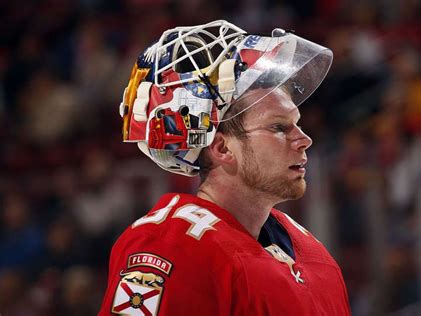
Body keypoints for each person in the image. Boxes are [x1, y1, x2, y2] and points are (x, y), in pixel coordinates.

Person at [99, 20, 350, 315]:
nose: (304, 140)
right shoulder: (169, 248)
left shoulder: (309, 249)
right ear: (222, 148)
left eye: (297, 123)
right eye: (279, 128)